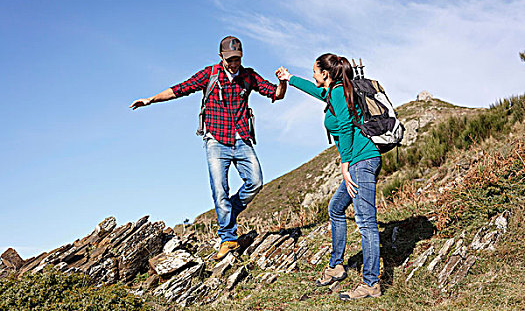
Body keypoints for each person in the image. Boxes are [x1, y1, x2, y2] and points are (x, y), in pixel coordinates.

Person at [130, 36, 287, 260]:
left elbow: (276, 94)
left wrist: (282, 82)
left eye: (237, 59)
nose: (234, 64)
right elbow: (179, 89)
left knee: (256, 182)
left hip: (242, 138)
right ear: (221, 56)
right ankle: (228, 239)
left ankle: (227, 213)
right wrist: (151, 99)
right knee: (219, 190)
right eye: (230, 59)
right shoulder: (210, 74)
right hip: (216, 140)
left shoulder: (248, 75)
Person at [276, 54, 382, 300]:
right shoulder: (335, 91)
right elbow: (317, 92)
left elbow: (345, 127)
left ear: (326, 73)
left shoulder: (338, 92)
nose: (313, 75)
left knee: (366, 222)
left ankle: (371, 283)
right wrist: (290, 79)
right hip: (359, 160)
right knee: (335, 208)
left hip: (361, 161)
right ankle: (336, 266)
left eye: (314, 71)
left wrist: (344, 164)